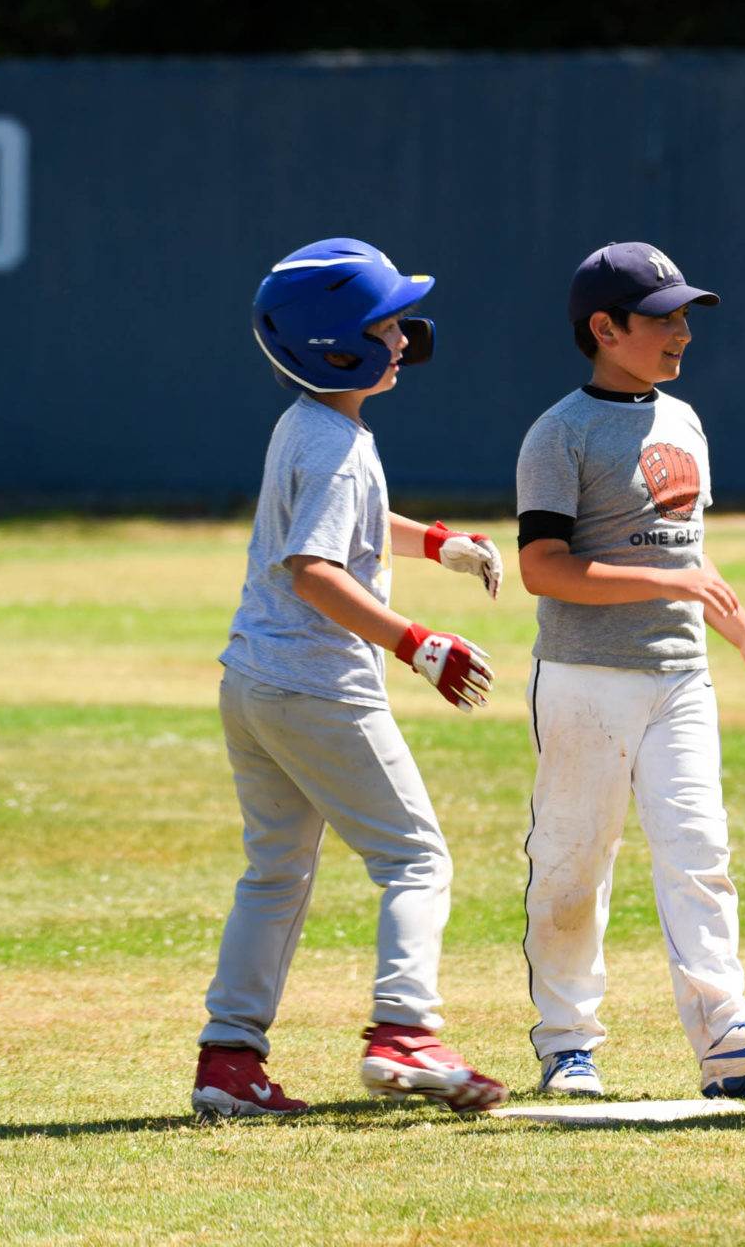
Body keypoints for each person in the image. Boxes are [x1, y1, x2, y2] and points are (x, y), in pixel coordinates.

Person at [192, 237, 509, 1118]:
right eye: (388, 322)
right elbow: (314, 568)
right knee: (416, 857)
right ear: (338, 344)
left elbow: (353, 527)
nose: (406, 335)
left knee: (276, 874)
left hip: (252, 683)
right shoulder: (333, 442)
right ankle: (405, 1034)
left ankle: (229, 1062)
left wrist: (437, 543)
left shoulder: (314, 426)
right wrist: (416, 642)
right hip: (315, 686)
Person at [512, 241, 745, 1100]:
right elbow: (543, 566)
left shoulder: (683, 420)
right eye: (663, 318)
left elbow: (690, 550)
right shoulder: (559, 433)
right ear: (605, 329)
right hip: (586, 677)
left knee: (699, 853)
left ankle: (728, 1035)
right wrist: (670, 581)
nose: (682, 331)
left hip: (680, 675)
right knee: (576, 863)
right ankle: (567, 1042)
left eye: (685, 314)